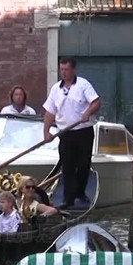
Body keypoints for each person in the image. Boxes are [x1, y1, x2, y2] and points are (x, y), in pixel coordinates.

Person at [42, 57, 101, 210]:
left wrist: (88, 112)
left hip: (83, 132)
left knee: (83, 165)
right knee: (67, 166)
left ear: (73, 69)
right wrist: (46, 131)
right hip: (65, 133)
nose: (64, 73)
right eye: (62, 69)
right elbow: (50, 111)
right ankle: (68, 199)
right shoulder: (56, 88)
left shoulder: (83, 85)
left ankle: (80, 193)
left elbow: (96, 102)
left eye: (66, 69)